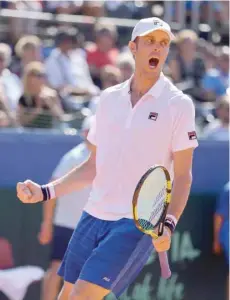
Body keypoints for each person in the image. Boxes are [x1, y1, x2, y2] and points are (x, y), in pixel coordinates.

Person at [16, 17, 198, 300]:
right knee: (65, 296)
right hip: (92, 215)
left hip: (134, 223)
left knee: (80, 297)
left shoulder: (179, 105)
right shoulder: (108, 98)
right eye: (149, 41)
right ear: (133, 48)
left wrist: (170, 221)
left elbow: (184, 176)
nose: (157, 49)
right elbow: (93, 167)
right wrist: (45, 192)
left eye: (163, 43)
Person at [38, 117, 93, 300]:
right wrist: (47, 223)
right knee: (56, 269)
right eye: (88, 131)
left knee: (85, 276)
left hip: (89, 225)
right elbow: (51, 188)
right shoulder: (73, 157)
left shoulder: (106, 156)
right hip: (66, 223)